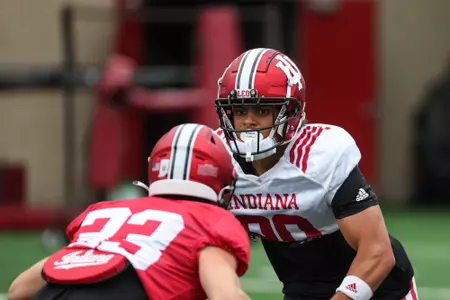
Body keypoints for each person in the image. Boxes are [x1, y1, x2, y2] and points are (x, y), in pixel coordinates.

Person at [214, 48, 418, 300]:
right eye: (240, 111)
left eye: (262, 110)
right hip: (304, 287)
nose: (248, 122)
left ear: (290, 112)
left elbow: (377, 252)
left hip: (378, 287)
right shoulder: (218, 159)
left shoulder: (320, 154)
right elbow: (205, 250)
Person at [8, 123, 251, 300]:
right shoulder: (212, 220)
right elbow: (225, 296)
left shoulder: (102, 211)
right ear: (220, 180)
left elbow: (19, 289)